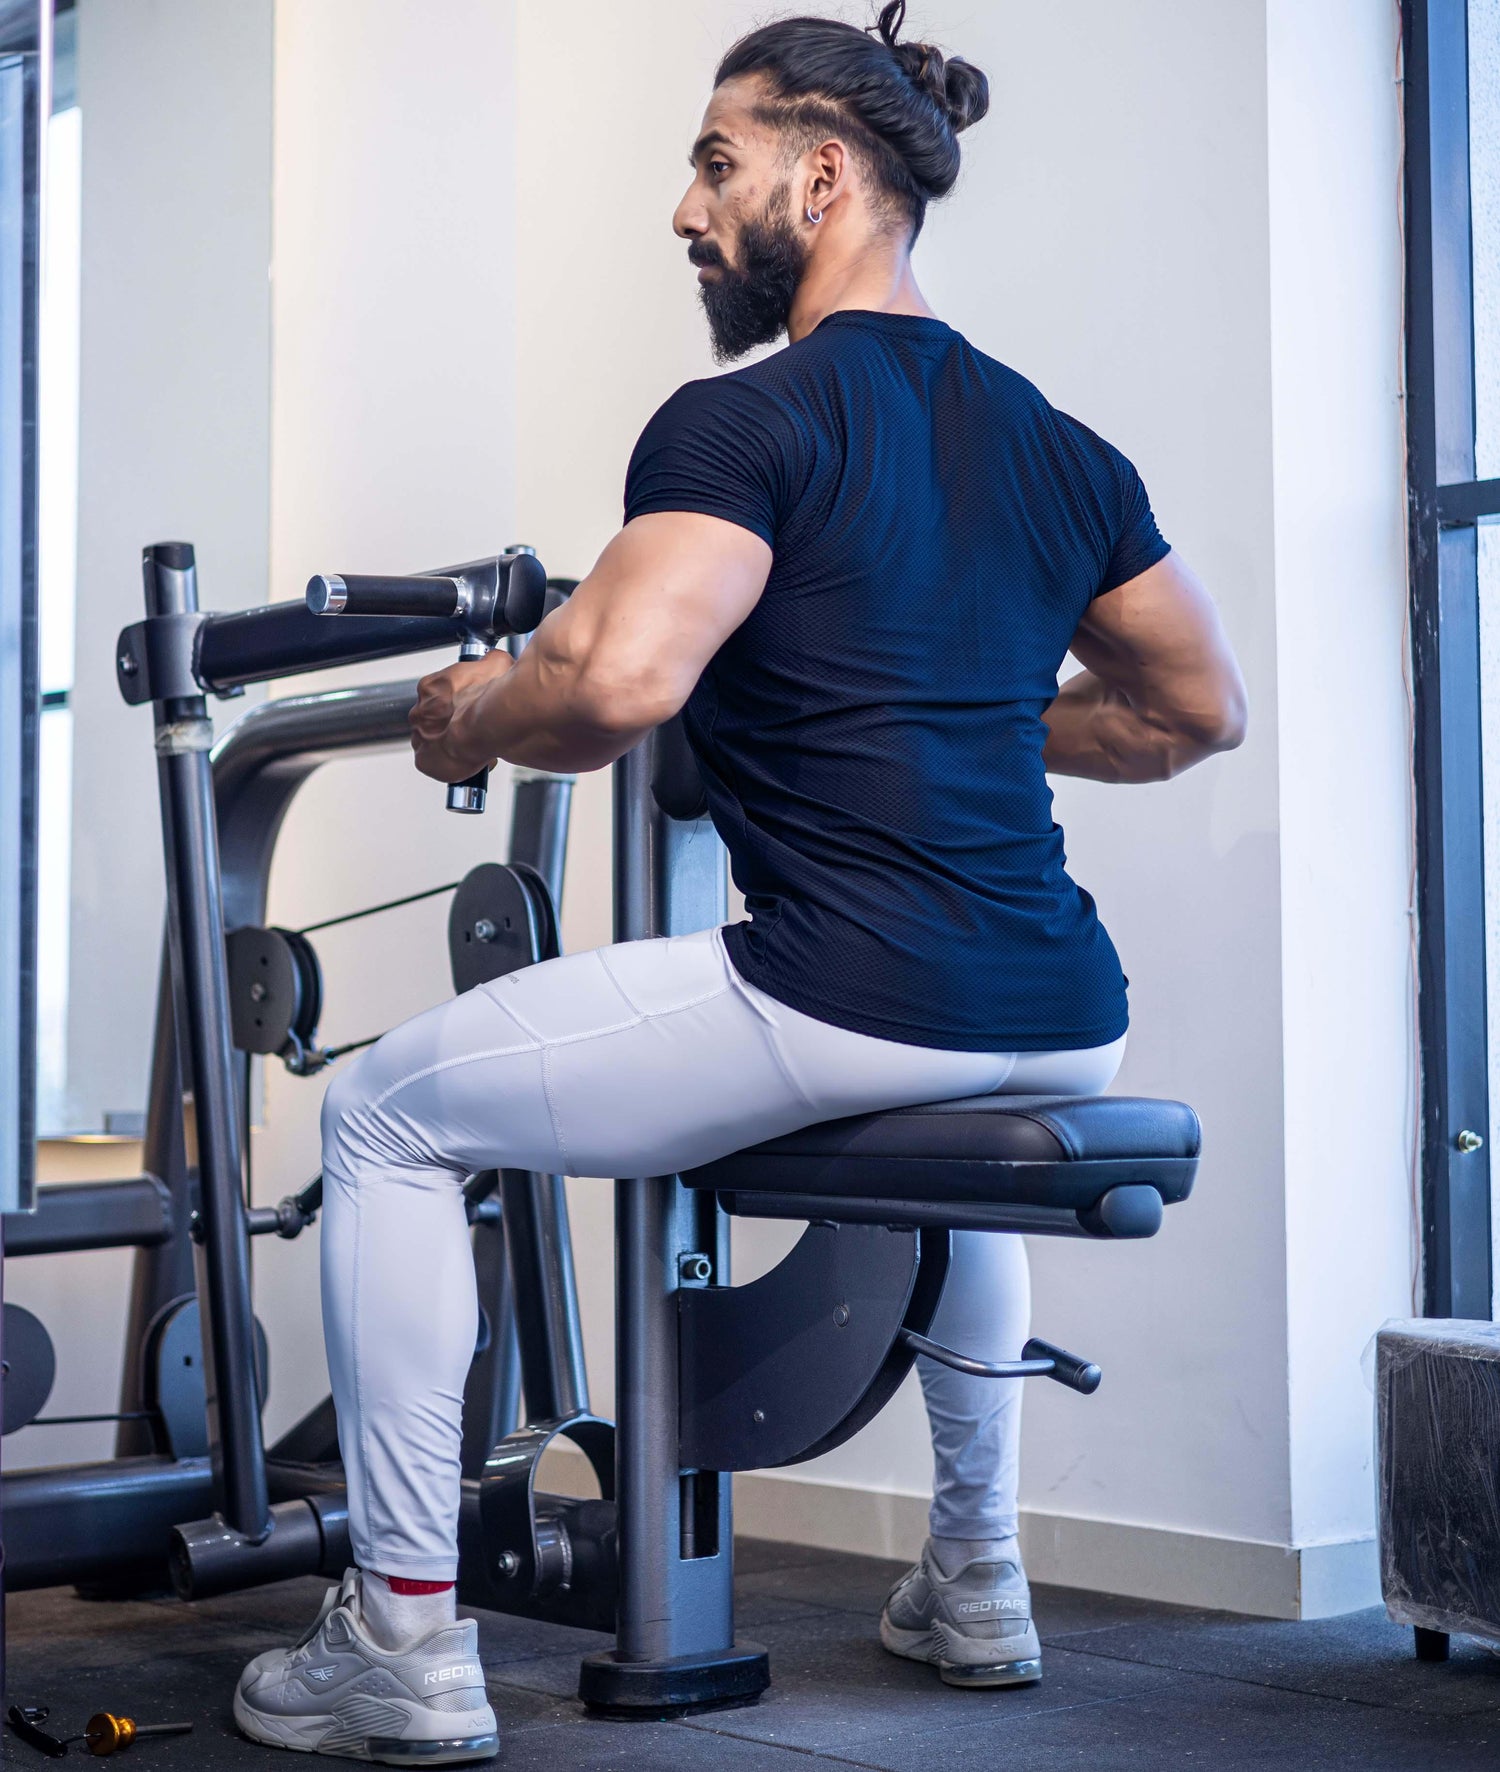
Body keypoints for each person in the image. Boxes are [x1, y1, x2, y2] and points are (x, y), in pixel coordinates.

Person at [234, 3, 1247, 1762]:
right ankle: (979, 1578)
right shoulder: (1061, 447)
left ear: (824, 173)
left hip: (848, 992)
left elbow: (615, 684)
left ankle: (398, 1635)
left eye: (717, 163)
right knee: (955, 1163)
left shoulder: (741, 421)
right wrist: (962, 711)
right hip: (1064, 1011)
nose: (686, 210)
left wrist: (477, 711)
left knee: (385, 1117)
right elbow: (1191, 711)